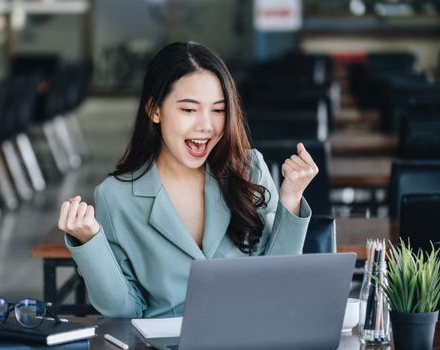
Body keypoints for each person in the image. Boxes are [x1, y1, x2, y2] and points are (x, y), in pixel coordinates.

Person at [57, 42, 319, 318]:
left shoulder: (249, 169)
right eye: (189, 110)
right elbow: (124, 309)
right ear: (154, 110)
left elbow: (276, 285)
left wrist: (291, 198)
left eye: (218, 110)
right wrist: (89, 241)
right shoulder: (115, 196)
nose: (206, 125)